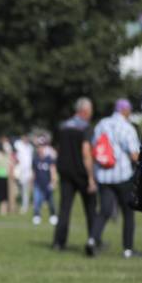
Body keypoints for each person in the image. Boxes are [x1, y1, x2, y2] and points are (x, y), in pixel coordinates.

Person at [89, 98, 139, 258]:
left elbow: (94, 147)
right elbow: (134, 154)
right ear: (125, 110)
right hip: (122, 175)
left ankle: (92, 240)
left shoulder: (101, 124)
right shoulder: (127, 128)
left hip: (103, 175)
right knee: (128, 213)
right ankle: (128, 249)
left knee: (104, 210)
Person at [53, 98, 97, 255]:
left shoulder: (64, 126)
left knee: (64, 209)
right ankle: (93, 240)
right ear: (85, 111)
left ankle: (59, 242)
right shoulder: (85, 128)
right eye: (91, 110)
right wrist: (91, 177)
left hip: (65, 172)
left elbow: (59, 149)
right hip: (81, 173)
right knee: (91, 209)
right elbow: (86, 152)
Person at [31, 135, 58, 226]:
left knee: (50, 200)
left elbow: (53, 171)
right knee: (37, 200)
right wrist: (32, 182)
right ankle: (37, 216)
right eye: (39, 147)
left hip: (47, 183)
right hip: (38, 183)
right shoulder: (35, 159)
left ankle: (53, 215)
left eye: (42, 146)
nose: (40, 149)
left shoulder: (49, 159)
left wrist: (53, 181)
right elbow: (34, 172)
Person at [13, 134, 34, 214]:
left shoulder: (30, 147)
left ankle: (24, 206)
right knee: (19, 189)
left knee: (25, 189)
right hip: (18, 171)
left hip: (26, 172)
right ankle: (17, 204)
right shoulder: (18, 144)